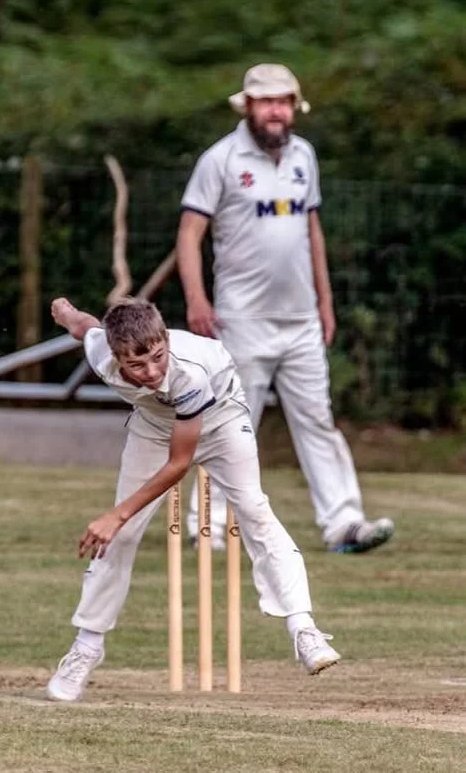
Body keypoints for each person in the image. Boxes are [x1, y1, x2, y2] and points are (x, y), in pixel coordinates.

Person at [46, 295, 340, 702]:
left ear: (165, 338)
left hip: (222, 420)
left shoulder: (189, 371)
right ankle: (86, 647)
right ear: (116, 357)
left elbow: (179, 465)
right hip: (152, 426)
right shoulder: (101, 352)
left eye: (156, 356)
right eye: (136, 364)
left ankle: (303, 629)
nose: (150, 371)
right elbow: (87, 327)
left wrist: (117, 513)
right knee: (122, 537)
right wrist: (65, 313)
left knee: (254, 511)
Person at [176, 63, 395, 554]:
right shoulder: (222, 159)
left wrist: (326, 300)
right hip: (241, 319)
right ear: (248, 105)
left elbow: (310, 230)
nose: (276, 110)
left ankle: (343, 524)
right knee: (232, 420)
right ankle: (205, 524)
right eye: (266, 101)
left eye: (284, 101)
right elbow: (190, 234)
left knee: (317, 420)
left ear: (294, 107)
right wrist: (197, 301)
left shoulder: (304, 156)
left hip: (300, 321)